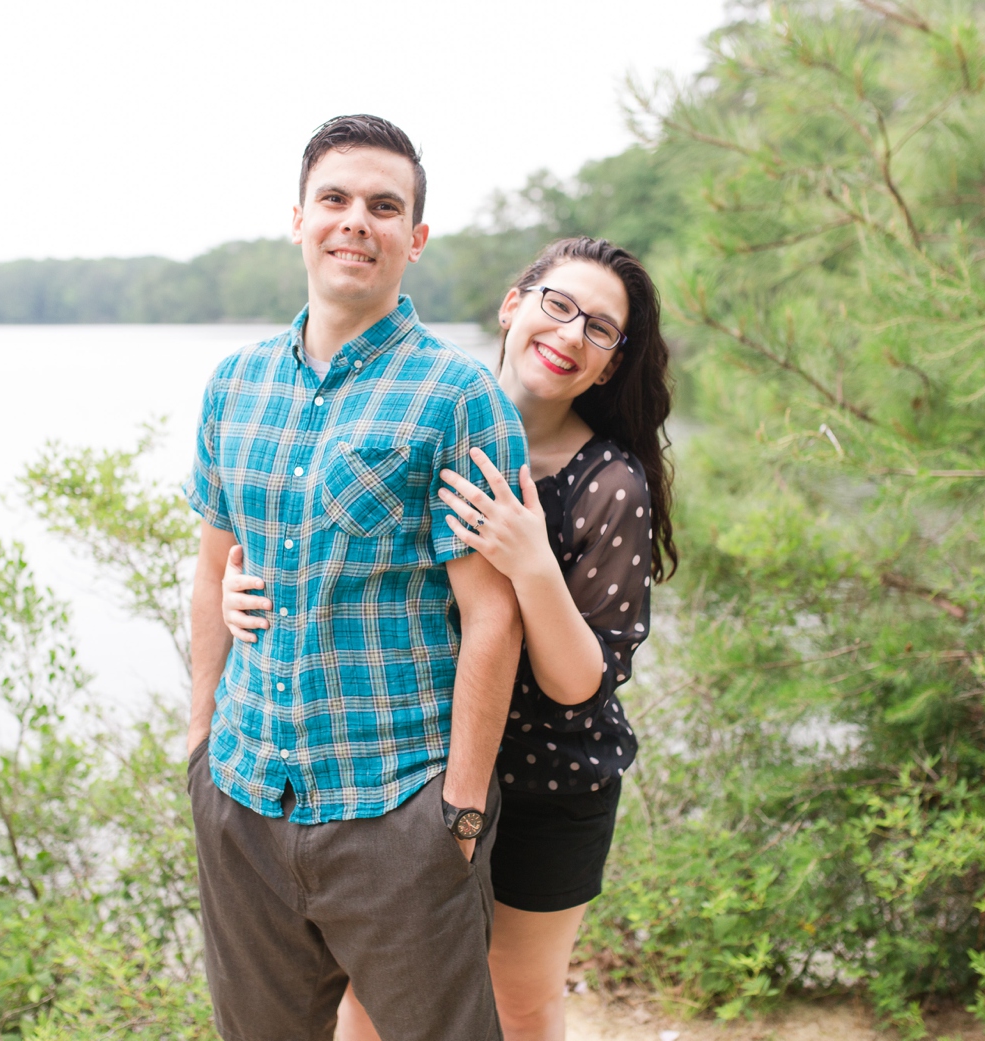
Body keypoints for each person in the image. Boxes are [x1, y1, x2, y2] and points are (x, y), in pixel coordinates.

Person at [224, 237, 677, 1041]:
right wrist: (242, 590)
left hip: (544, 778)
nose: (571, 335)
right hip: (406, 767)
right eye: (558, 306)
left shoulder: (609, 484)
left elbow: (582, 682)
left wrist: (533, 561)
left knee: (520, 999)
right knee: (371, 994)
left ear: (610, 365)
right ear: (513, 305)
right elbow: (333, 557)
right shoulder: (427, 408)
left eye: (600, 330)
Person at [183, 113, 528, 1041]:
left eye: (384, 206)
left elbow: (492, 619)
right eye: (334, 199)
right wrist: (199, 745)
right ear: (297, 218)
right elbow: (215, 566)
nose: (355, 222)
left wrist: (457, 811)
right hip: (245, 798)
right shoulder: (234, 385)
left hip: (396, 811)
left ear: (413, 239)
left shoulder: (458, 397)